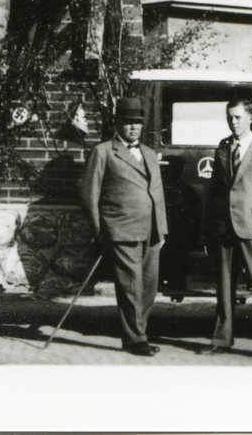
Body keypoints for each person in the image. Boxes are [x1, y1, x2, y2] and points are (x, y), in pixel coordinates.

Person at [79, 96, 168, 356]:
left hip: (151, 232)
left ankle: (139, 333)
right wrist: (100, 231)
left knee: (148, 288)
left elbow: (157, 192)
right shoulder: (104, 152)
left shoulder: (150, 154)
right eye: (128, 122)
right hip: (122, 230)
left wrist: (162, 229)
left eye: (137, 123)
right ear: (117, 124)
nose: (133, 127)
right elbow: (88, 194)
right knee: (131, 287)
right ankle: (135, 339)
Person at [199, 98, 252, 361]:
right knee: (224, 288)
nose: (233, 122)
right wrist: (208, 230)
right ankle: (222, 340)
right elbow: (214, 192)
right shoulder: (223, 149)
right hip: (224, 228)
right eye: (229, 117)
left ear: (250, 119)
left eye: (237, 117)